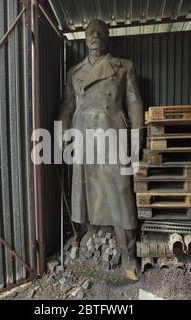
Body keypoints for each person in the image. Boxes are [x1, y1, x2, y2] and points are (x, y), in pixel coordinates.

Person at [58, 19, 144, 280]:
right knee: (85, 191)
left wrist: (137, 141)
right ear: (85, 39)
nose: (95, 35)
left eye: (100, 32)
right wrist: (62, 132)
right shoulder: (75, 72)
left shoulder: (123, 67)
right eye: (90, 32)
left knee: (120, 192)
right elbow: (67, 107)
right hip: (83, 138)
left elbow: (134, 103)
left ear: (107, 37)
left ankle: (129, 253)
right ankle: (91, 238)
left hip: (113, 136)